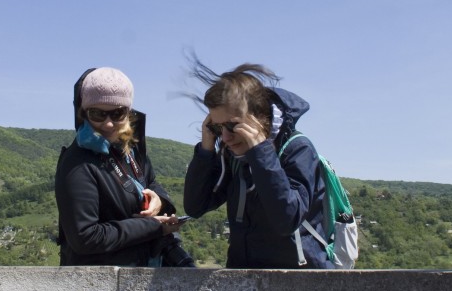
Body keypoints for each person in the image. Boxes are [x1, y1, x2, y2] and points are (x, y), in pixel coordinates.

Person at [183, 60, 332, 269]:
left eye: (232, 125)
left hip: (299, 279)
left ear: (261, 117)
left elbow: (287, 220)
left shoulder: (297, 150)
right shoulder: (233, 157)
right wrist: (206, 149)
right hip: (245, 277)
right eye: (217, 127)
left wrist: (260, 152)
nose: (225, 137)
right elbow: (195, 207)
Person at [55, 67, 191, 266]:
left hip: (142, 270)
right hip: (99, 284)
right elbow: (85, 238)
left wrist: (159, 201)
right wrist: (153, 227)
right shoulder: (77, 163)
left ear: (128, 112)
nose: (109, 124)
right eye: (97, 114)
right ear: (83, 113)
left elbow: (151, 181)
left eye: (117, 113)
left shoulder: (130, 149)